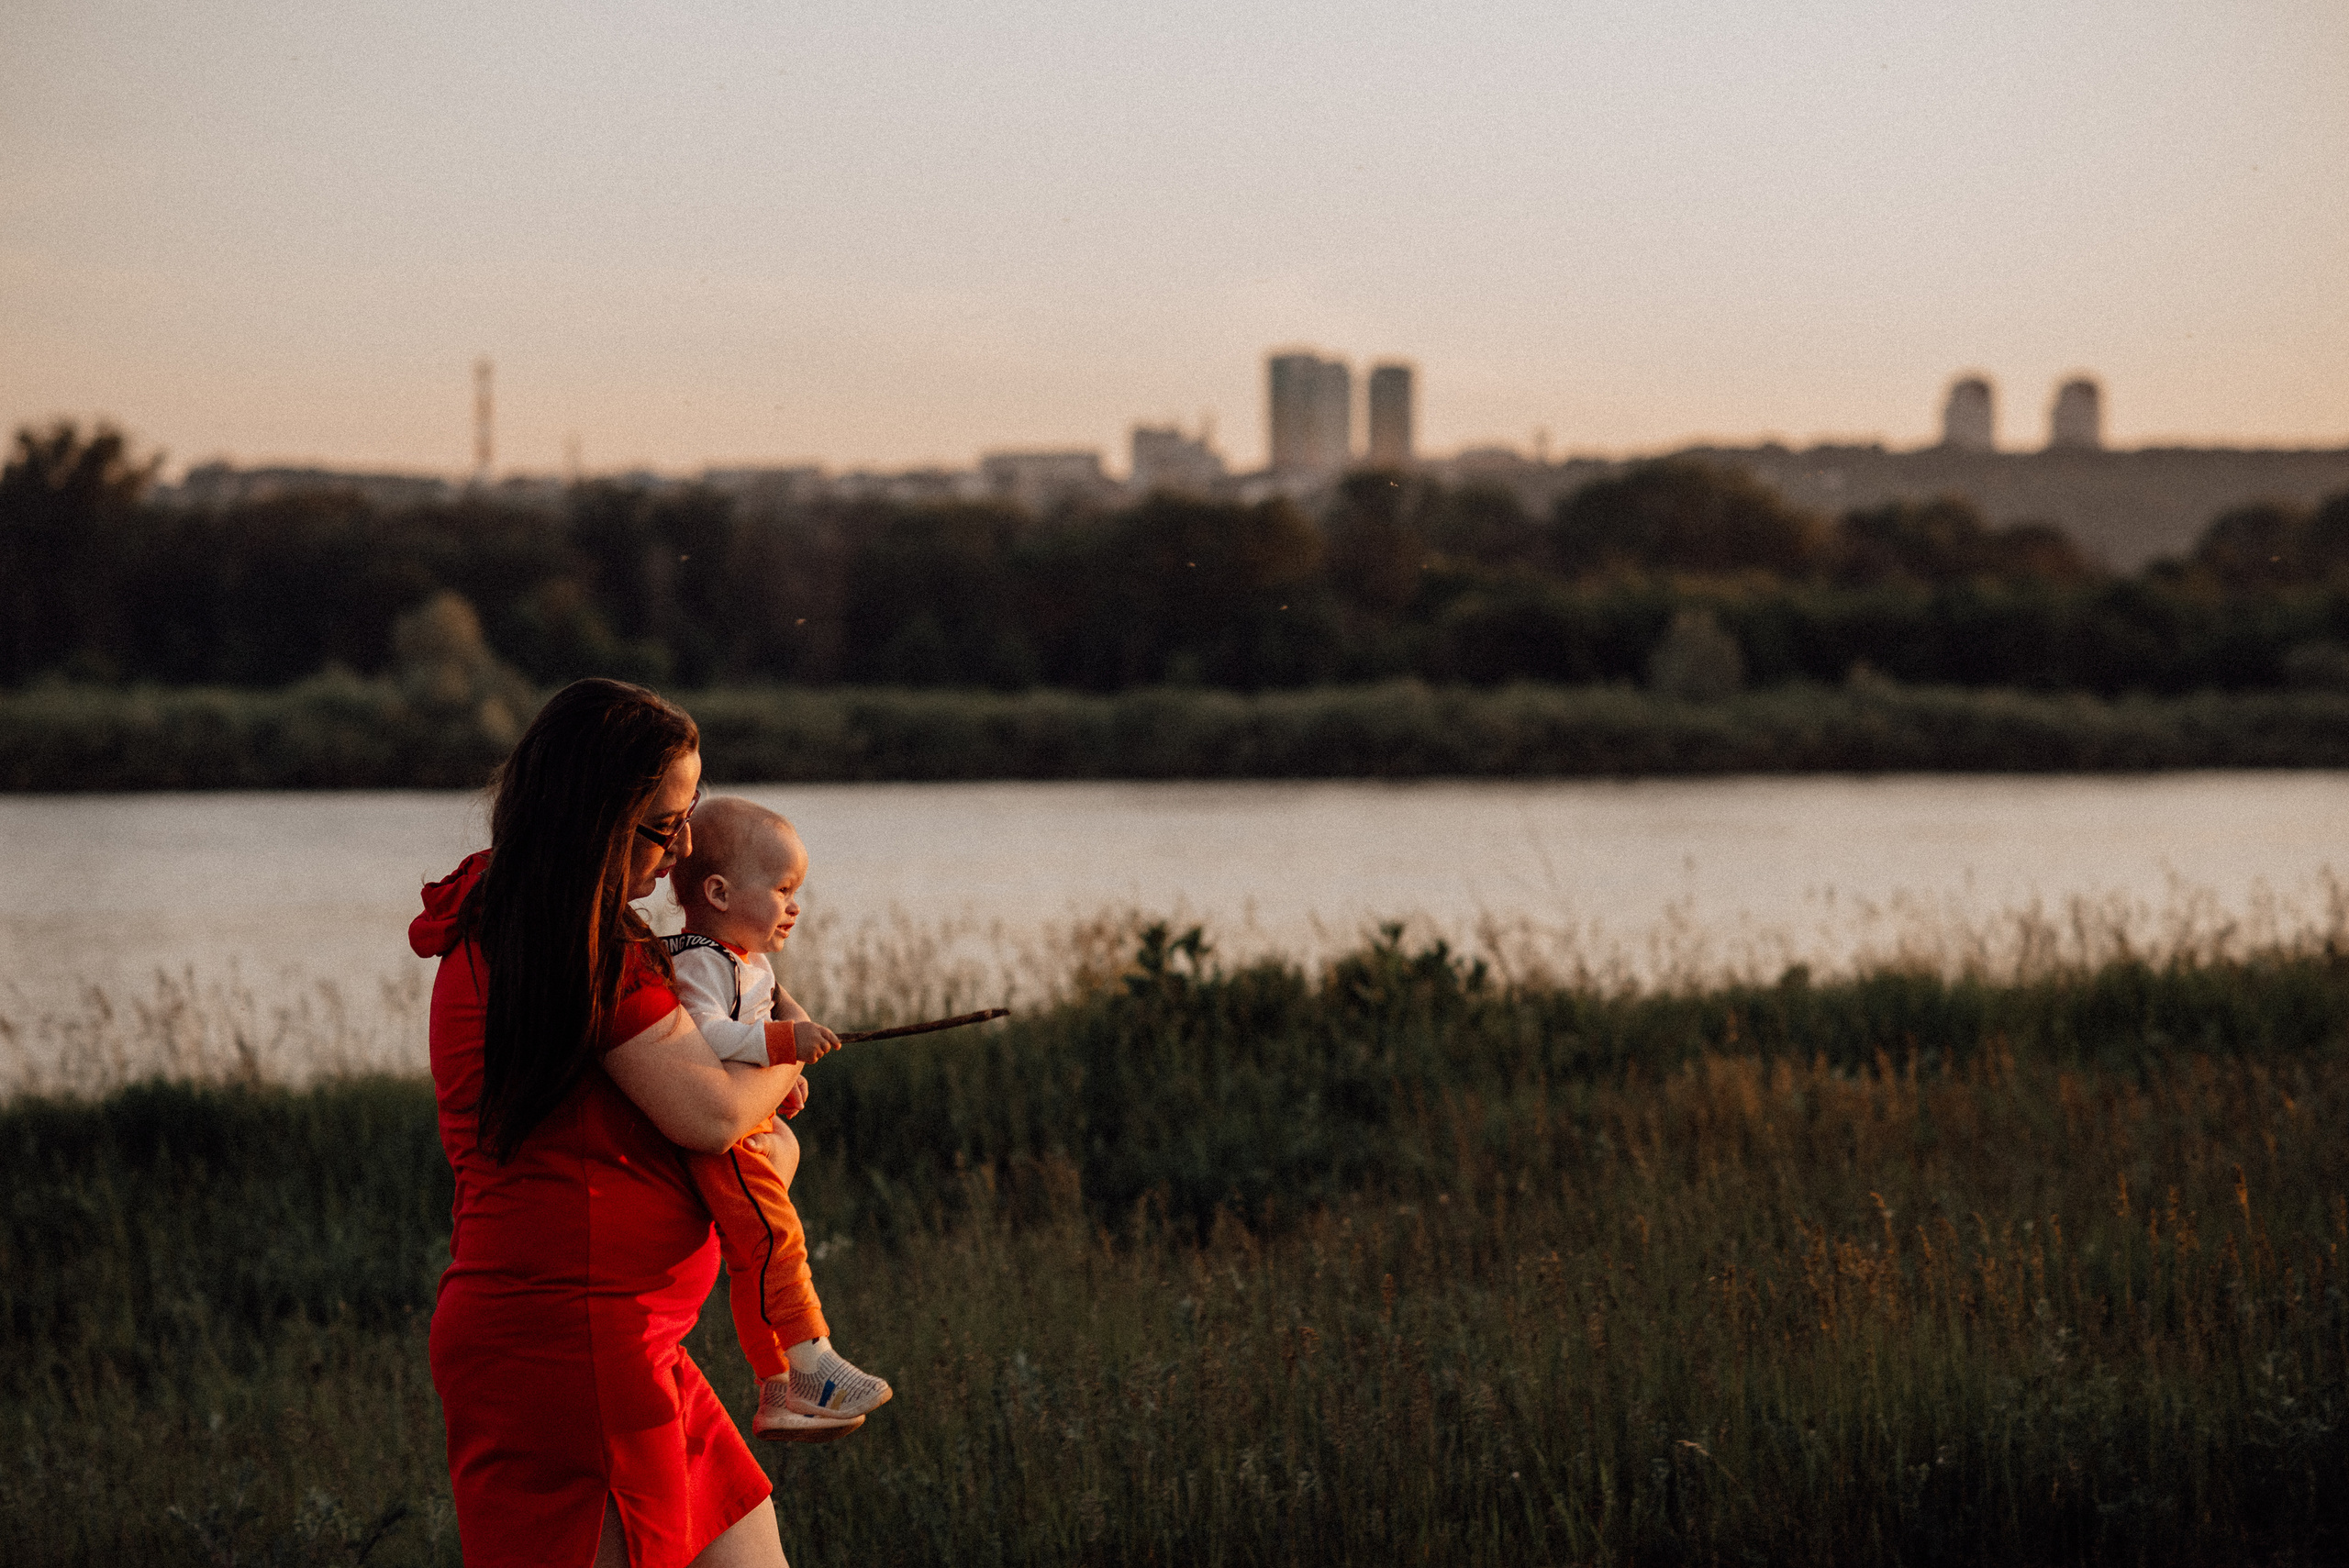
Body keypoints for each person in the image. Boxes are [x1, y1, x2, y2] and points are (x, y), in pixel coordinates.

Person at [409, 678, 835, 1568]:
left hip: (632, 1341)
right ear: (592, 814)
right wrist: (794, 1052)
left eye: (688, 816)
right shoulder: (569, 956)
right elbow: (713, 1112)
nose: (681, 849)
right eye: (661, 823)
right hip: (571, 1348)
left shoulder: (559, 931)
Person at [662, 795, 893, 1440]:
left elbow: (751, 1043)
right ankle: (812, 1358)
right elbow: (704, 1035)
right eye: (783, 889)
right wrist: (785, 1048)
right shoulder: (699, 960)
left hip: (744, 1131)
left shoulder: (749, 963)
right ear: (719, 892)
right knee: (775, 1241)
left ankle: (777, 1391)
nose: (795, 906)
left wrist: (776, 1086)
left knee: (753, 1257)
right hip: (721, 1141)